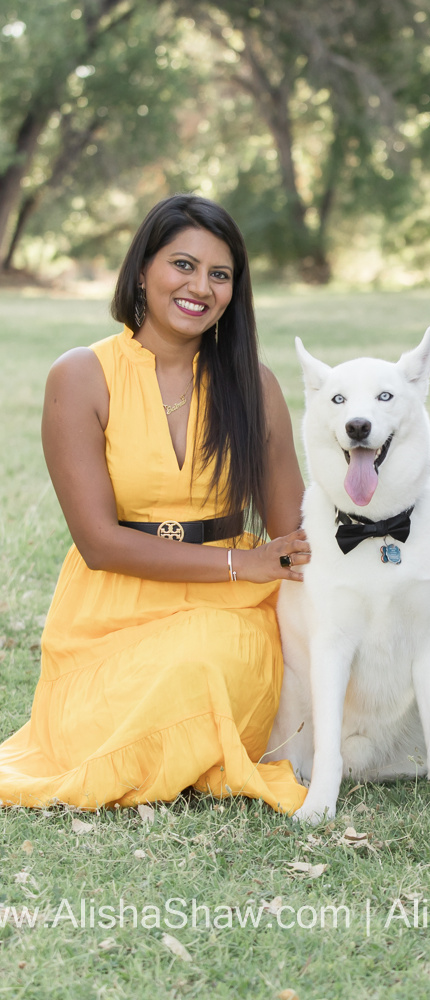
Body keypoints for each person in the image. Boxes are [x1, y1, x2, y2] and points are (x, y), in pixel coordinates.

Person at [0, 195, 310, 813]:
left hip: (231, 612)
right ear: (142, 268)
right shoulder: (81, 375)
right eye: (183, 265)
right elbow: (98, 541)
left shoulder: (254, 383)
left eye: (220, 275)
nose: (201, 287)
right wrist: (239, 565)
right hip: (110, 609)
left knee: (201, 659)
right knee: (102, 720)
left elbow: (295, 529)